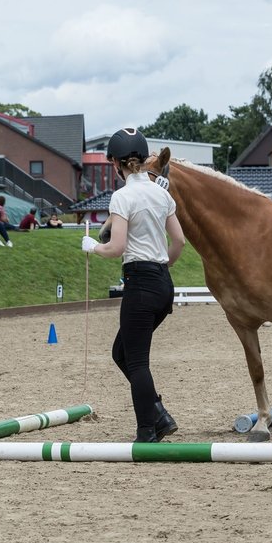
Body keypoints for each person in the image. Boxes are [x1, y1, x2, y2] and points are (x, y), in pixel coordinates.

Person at [82, 128, 186, 443]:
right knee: (122, 353)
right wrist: (162, 266)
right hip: (163, 283)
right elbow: (179, 241)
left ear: (117, 163)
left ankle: (147, 431)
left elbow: (116, 247)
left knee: (137, 361)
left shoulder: (122, 196)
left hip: (139, 283)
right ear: (142, 159)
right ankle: (158, 414)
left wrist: (91, 247)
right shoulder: (161, 193)